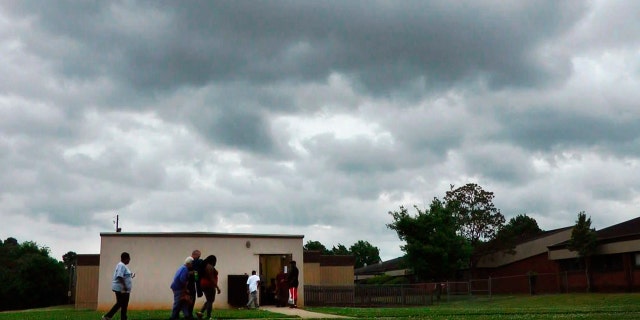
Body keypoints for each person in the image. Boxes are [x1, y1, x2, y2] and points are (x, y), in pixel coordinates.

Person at [102, 252, 134, 320]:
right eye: (129, 259)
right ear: (126, 258)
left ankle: (123, 318)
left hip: (124, 289)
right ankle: (107, 316)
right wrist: (124, 286)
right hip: (121, 289)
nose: (129, 260)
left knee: (123, 304)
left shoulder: (123, 266)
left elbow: (125, 275)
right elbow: (119, 276)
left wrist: (131, 275)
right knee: (120, 303)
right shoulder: (121, 265)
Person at [196, 255, 221, 320]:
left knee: (209, 300)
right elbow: (211, 278)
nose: (216, 262)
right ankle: (208, 316)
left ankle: (200, 312)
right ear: (213, 260)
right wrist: (217, 287)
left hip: (204, 284)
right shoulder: (209, 266)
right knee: (210, 300)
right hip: (209, 284)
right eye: (215, 260)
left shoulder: (206, 266)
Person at [188, 250, 202, 318]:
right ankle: (189, 314)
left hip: (192, 284)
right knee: (191, 299)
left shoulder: (192, 262)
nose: (199, 258)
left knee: (192, 298)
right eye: (198, 256)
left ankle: (189, 314)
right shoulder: (190, 262)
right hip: (189, 284)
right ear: (194, 255)